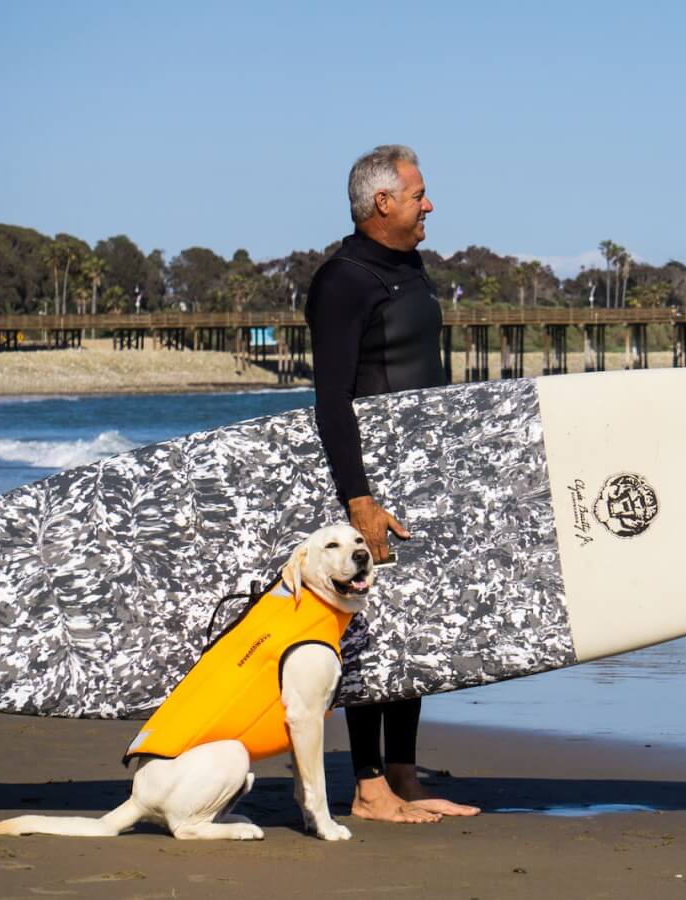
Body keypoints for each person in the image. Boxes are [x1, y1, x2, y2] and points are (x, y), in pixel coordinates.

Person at [304, 144, 479, 824]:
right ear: (383, 203)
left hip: (423, 478)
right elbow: (332, 400)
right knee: (372, 630)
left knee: (414, 627)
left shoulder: (409, 267)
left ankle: (403, 776)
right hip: (371, 482)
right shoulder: (343, 280)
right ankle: (369, 786)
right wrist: (359, 498)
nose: (428, 204)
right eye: (418, 194)